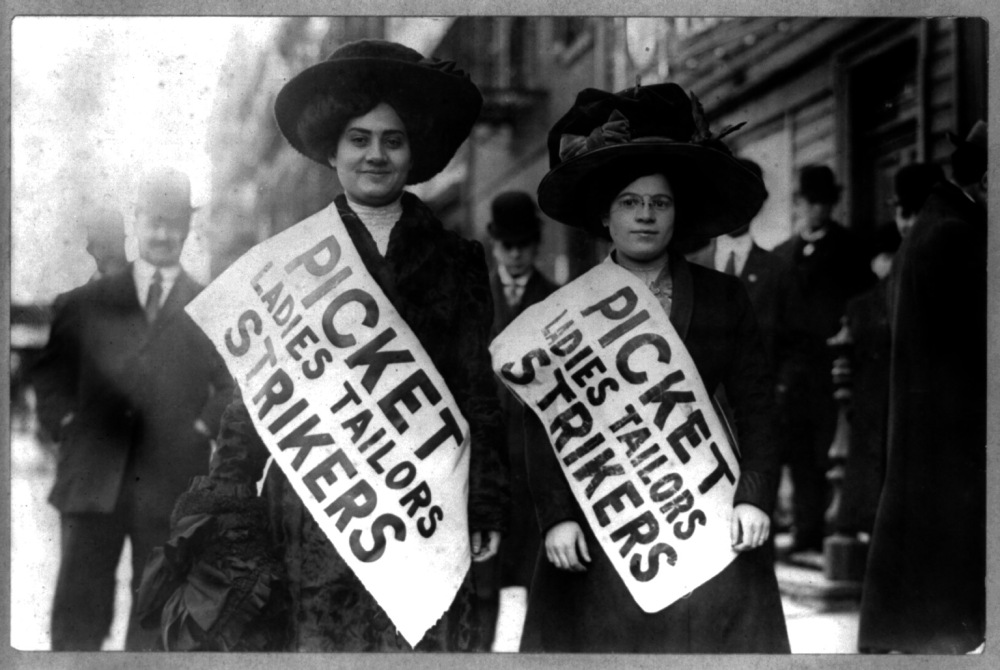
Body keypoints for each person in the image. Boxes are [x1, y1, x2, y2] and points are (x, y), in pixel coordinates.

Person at [136, 39, 508, 652]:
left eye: (393, 140)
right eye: (359, 139)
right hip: (316, 517)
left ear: (413, 152)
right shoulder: (291, 263)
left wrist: (488, 502)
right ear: (333, 150)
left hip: (429, 513)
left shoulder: (458, 261)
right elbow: (251, 401)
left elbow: (476, 390)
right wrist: (228, 504)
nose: (375, 154)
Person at [519, 82, 789, 653]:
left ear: (676, 214)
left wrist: (754, 496)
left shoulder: (723, 298)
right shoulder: (562, 314)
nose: (645, 216)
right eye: (630, 202)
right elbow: (544, 425)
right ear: (604, 215)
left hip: (709, 515)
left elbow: (759, 405)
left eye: (659, 203)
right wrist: (557, 518)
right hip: (608, 522)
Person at [31, 167, 234, 651]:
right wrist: (65, 425)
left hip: (169, 485)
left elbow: (232, 384)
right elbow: (51, 377)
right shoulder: (85, 302)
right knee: (77, 619)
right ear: (137, 222)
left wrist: (202, 426)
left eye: (174, 223)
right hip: (91, 481)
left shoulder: (211, 305)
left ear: (187, 228)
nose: (163, 234)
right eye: (154, 221)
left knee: (156, 620)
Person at [858, 122, 986, 654]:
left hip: (928, 422)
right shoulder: (957, 231)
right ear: (986, 178)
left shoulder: (934, 223)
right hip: (954, 425)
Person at [771, 165, 875, 553]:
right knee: (798, 452)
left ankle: (840, 530)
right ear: (799, 204)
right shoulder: (783, 255)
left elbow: (865, 303)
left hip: (836, 369)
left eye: (824, 202)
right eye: (810, 202)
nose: (817, 210)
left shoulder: (850, 250)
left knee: (829, 451)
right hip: (796, 372)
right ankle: (805, 531)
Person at [482, 190, 557, 650]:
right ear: (494, 244)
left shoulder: (557, 302)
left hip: (537, 467)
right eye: (507, 243)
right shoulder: (472, 299)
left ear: (536, 244)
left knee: (542, 586)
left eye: (524, 243)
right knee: (482, 586)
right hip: (486, 470)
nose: (515, 253)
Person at [82, 204, 129, 280]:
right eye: (101, 244)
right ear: (90, 249)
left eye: (114, 240)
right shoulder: (89, 290)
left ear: (124, 240)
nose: (108, 248)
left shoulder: (143, 283)